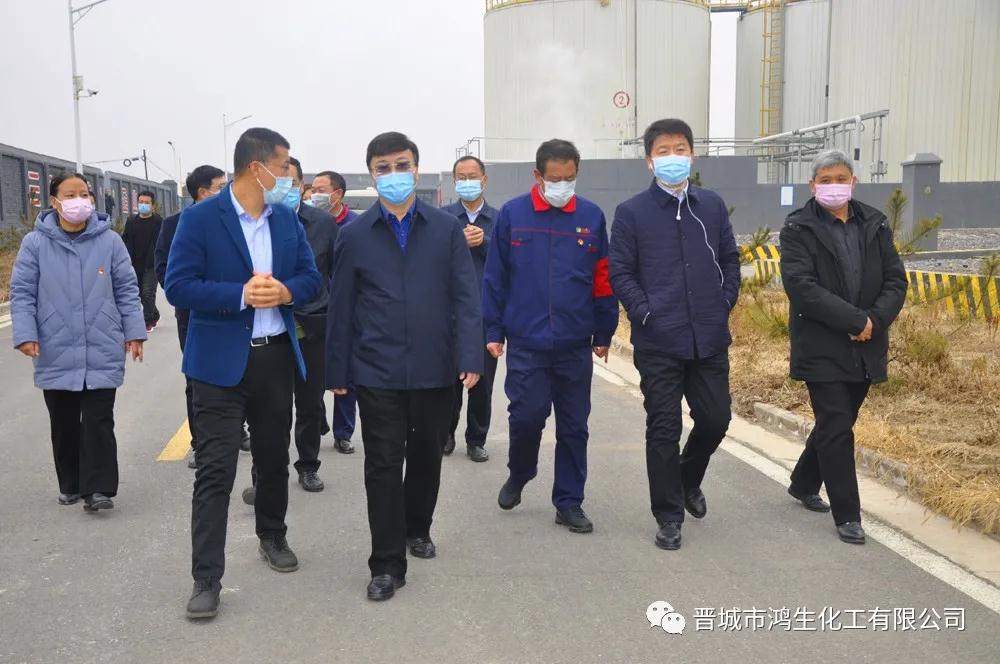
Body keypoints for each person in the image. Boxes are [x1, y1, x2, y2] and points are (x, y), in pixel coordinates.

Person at [165, 128, 322, 619]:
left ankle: (272, 535)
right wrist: (240, 295)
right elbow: (178, 285)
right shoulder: (199, 219)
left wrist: (286, 292)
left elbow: (312, 278)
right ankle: (206, 577)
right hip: (218, 364)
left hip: (274, 358)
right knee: (216, 471)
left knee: (273, 458)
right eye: (284, 166)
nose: (289, 176)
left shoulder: (285, 220)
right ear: (257, 168)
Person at [326, 131, 482, 601]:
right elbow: (342, 306)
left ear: (416, 169)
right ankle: (386, 563)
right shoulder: (354, 235)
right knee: (382, 463)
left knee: (427, 456)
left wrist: (469, 355)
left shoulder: (445, 229)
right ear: (371, 175)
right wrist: (337, 371)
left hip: (435, 367)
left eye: (401, 165)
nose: (393, 174)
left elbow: (465, 297)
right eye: (383, 168)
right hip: (378, 370)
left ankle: (418, 527)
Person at [608, 118, 741, 551]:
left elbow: (730, 259)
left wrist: (724, 301)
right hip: (659, 341)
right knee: (663, 427)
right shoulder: (632, 213)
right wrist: (644, 312)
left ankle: (687, 477)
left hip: (708, 337)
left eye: (680, 149)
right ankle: (668, 516)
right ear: (649, 161)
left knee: (716, 419)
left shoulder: (712, 206)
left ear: (692, 155)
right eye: (663, 151)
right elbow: (620, 272)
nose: (672, 157)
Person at [482, 139, 618, 535]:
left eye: (569, 178)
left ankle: (569, 501)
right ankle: (521, 472)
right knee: (526, 418)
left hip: (574, 343)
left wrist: (604, 330)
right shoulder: (513, 215)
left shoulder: (591, 217)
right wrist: (493, 329)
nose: (562, 185)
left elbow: (603, 277)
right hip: (527, 341)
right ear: (538, 176)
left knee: (574, 427)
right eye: (554, 179)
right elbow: (495, 278)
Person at [779, 148, 907, 545]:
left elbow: (895, 280)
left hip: (866, 343)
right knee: (836, 425)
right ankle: (848, 514)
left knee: (838, 421)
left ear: (854, 182)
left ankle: (804, 481)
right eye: (826, 180)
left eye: (841, 179)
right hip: (821, 343)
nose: (834, 186)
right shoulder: (798, 228)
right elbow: (802, 287)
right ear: (812, 185)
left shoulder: (875, 223)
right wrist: (855, 321)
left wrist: (873, 321)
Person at [10, 172, 146, 512]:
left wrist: (134, 331)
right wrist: (26, 333)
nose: (78, 201)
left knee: (99, 419)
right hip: (54, 343)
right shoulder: (35, 243)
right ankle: (70, 483)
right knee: (64, 421)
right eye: (70, 195)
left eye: (84, 194)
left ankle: (98, 489)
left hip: (102, 341)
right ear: (54, 201)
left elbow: (126, 289)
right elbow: (22, 292)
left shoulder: (110, 241)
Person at [240, 156, 337, 500]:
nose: (284, 187)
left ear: (301, 187)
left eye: (291, 182)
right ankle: (263, 475)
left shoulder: (323, 224)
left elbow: (334, 273)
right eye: (278, 179)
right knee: (268, 410)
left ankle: (308, 465)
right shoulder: (253, 221)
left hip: (310, 325)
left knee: (310, 403)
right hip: (269, 331)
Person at [154, 165, 239, 470]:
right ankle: (199, 441)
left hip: (234, 313)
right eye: (221, 186)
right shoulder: (176, 223)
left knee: (239, 372)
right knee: (198, 380)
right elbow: (164, 268)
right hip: (193, 315)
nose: (228, 190)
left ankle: (238, 429)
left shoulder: (236, 220)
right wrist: (193, 294)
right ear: (203, 192)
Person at [441, 156, 497, 462]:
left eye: (472, 176)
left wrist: (485, 242)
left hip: (487, 313)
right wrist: (456, 244)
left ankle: (476, 439)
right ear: (454, 181)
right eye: (461, 177)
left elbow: (511, 262)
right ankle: (446, 434)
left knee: (483, 383)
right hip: (450, 313)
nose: (467, 182)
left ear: (484, 180)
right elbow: (431, 260)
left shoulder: (499, 219)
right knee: (449, 381)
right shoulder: (444, 219)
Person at [311, 169, 359, 454]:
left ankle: (344, 432)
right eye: (312, 189)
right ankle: (317, 417)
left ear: (337, 194)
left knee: (346, 372)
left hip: (347, 309)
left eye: (320, 190)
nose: (313, 194)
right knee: (313, 371)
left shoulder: (355, 226)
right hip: (315, 308)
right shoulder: (309, 223)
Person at [122, 190, 163, 332]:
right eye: (141, 202)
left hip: (151, 263)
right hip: (135, 263)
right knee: (139, 292)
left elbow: (161, 242)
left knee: (148, 292)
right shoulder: (131, 221)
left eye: (146, 202)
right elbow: (125, 240)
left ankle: (147, 321)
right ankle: (155, 314)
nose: (143, 205)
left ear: (153, 206)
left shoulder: (158, 222)